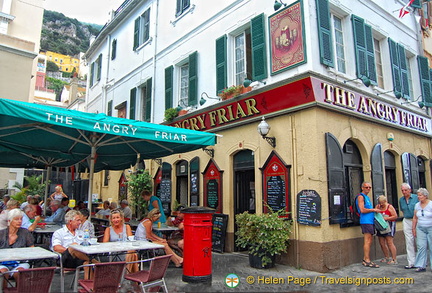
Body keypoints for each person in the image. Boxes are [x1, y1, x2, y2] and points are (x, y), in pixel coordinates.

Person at [51, 210, 96, 278]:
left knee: (87, 264)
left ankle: (89, 287)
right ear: (70, 221)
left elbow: (87, 244)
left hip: (79, 258)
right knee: (73, 247)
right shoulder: (59, 232)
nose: (80, 222)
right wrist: (71, 251)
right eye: (78, 220)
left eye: (80, 220)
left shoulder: (81, 233)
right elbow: (56, 248)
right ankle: (96, 262)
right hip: (65, 259)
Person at [0, 209, 34, 287]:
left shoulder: (25, 233)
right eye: (16, 219)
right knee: (3, 273)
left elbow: (32, 249)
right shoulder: (1, 234)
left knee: (19, 273)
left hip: (21, 262)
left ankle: (19, 291)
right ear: (9, 221)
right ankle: (3, 291)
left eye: (21, 219)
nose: (19, 221)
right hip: (2, 262)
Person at [357, 182, 381, 268]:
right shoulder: (361, 197)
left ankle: (366, 258)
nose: (368, 189)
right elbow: (362, 210)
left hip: (370, 221)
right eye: (366, 187)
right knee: (367, 240)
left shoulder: (367, 197)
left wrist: (375, 209)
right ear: (362, 188)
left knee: (370, 240)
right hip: (365, 221)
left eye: (369, 187)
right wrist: (373, 210)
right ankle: (367, 260)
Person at [399, 182, 418, 269]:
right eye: (402, 190)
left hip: (417, 220)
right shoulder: (401, 200)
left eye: (405, 190)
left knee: (419, 241)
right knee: (409, 241)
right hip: (407, 220)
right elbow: (402, 210)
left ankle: (421, 261)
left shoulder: (416, 198)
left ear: (409, 190)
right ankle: (411, 262)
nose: (404, 192)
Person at [412, 188, 432, 272]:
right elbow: (415, 217)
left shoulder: (431, 204)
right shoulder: (417, 205)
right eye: (418, 195)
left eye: (420, 195)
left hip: (430, 227)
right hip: (420, 228)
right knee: (421, 246)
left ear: (425, 196)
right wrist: (413, 228)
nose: (418, 197)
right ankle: (421, 265)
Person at [375, 195, 398, 264]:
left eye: (382, 203)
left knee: (389, 242)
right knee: (382, 242)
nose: (381, 204)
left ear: (385, 201)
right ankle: (386, 257)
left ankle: (394, 259)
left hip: (389, 225)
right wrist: (376, 209)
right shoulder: (378, 206)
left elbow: (395, 216)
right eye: (380, 203)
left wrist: (387, 218)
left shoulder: (389, 207)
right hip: (380, 226)